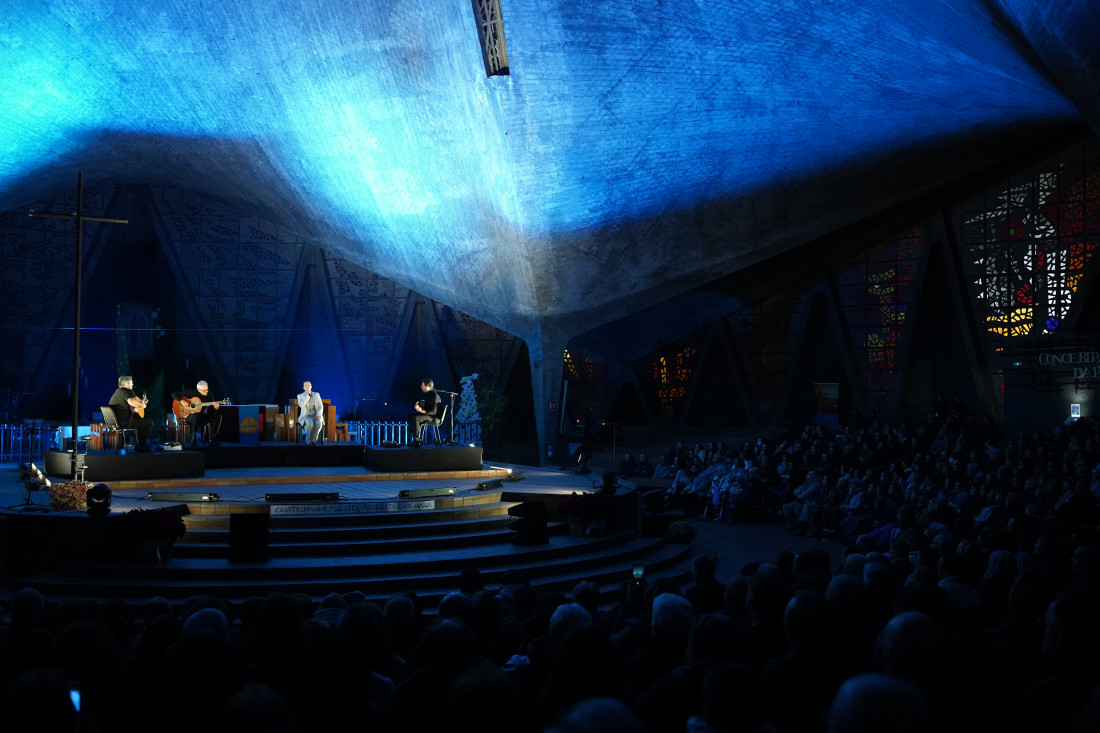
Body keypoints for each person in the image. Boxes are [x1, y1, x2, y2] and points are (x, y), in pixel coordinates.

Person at [172, 380, 223, 447]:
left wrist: (216, 408)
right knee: (196, 413)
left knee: (218, 417)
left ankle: (213, 438)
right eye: (204, 390)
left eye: (207, 389)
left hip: (203, 416)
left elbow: (211, 410)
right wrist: (182, 401)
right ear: (198, 389)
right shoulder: (192, 392)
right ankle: (193, 437)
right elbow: (174, 394)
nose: (206, 391)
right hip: (189, 416)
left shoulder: (210, 395)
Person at [108, 376, 153, 452]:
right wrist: (143, 405)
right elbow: (131, 402)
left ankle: (139, 444)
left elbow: (130, 406)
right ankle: (141, 446)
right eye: (131, 383)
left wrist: (140, 403)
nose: (133, 384)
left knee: (140, 422)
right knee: (148, 423)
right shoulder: (127, 391)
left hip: (117, 422)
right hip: (125, 422)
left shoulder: (118, 391)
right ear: (127, 384)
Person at [406, 377, 441, 447]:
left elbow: (433, 412)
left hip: (434, 417)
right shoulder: (428, 395)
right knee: (410, 416)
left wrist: (421, 410)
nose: (421, 387)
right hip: (429, 416)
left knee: (416, 418)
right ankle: (415, 436)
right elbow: (427, 408)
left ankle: (416, 440)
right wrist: (419, 408)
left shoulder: (434, 396)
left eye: (422, 386)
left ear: (427, 386)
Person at [297, 381, 324, 445]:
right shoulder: (300, 396)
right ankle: (308, 439)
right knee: (309, 423)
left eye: (308, 385)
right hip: (306, 415)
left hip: (316, 414)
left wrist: (318, 414)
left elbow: (320, 406)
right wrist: (307, 396)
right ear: (303, 388)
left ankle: (314, 439)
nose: (307, 386)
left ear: (311, 386)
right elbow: (302, 405)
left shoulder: (316, 394)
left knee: (319, 423)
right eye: (305, 385)